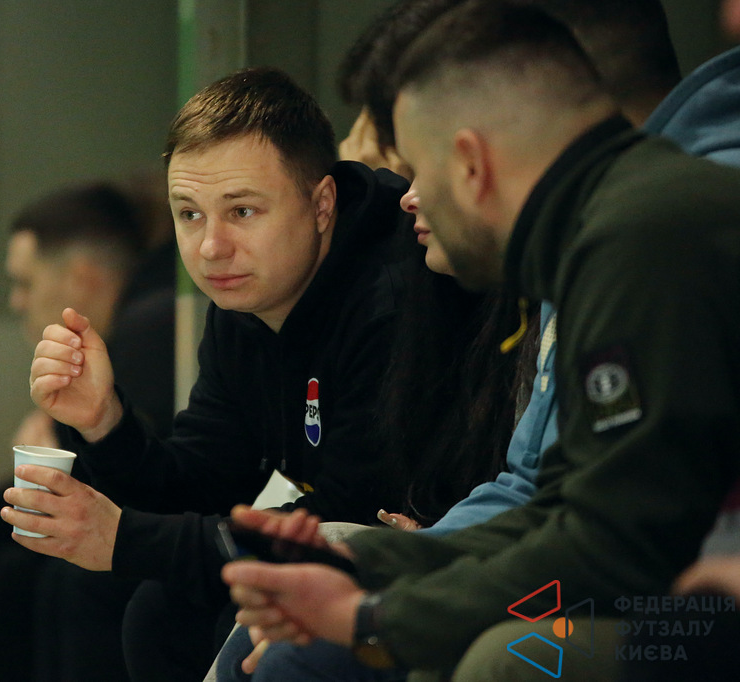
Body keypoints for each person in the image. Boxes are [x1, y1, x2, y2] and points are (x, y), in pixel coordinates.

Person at [221, 3, 740, 681]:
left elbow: (617, 548)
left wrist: (376, 621)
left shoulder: (639, 237)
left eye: (419, 169)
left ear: (470, 163)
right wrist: (361, 563)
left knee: (505, 662)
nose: (409, 197)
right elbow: (557, 509)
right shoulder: (614, 220)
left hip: (706, 603)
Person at [3, 66, 417, 681]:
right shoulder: (246, 298)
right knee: (160, 611)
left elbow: (340, 520)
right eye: (189, 214)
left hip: (411, 559)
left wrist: (122, 537)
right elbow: (204, 479)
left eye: (242, 211)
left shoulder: (392, 296)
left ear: (322, 205)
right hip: (324, 542)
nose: (210, 248)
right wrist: (105, 423)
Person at [0, 181, 175, 682]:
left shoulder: (150, 324)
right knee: (2, 511)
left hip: (172, 527)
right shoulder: (139, 317)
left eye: (25, 283)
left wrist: (68, 438)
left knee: (44, 577)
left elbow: (159, 472)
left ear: (82, 277)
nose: (16, 302)